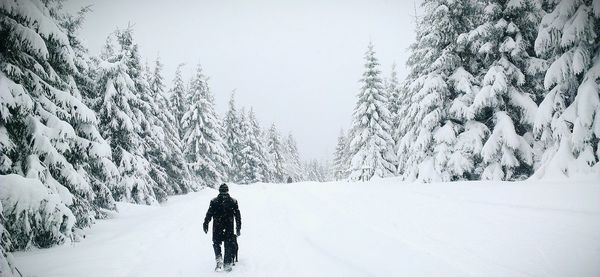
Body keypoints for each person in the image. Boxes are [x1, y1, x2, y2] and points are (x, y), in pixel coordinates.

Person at [203, 183, 241, 272]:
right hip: (229, 227)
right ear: (227, 190)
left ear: (219, 191)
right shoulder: (233, 201)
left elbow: (209, 214)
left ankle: (219, 259)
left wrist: (206, 223)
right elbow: (238, 216)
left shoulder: (214, 201)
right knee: (228, 244)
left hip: (217, 227)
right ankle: (227, 263)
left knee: (216, 243)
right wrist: (238, 227)